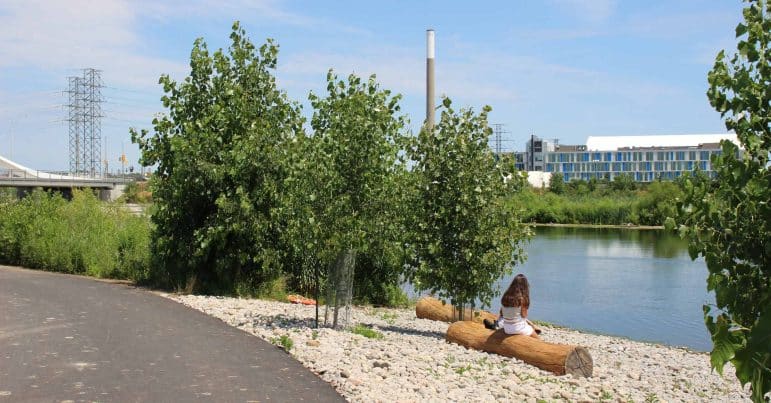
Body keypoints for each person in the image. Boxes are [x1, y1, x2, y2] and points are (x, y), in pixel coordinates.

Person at [483, 274, 539, 338]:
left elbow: (502, 313)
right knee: (536, 336)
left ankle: (495, 326)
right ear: (525, 286)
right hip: (517, 328)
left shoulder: (506, 296)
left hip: (506, 328)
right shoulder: (523, 299)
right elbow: (524, 315)